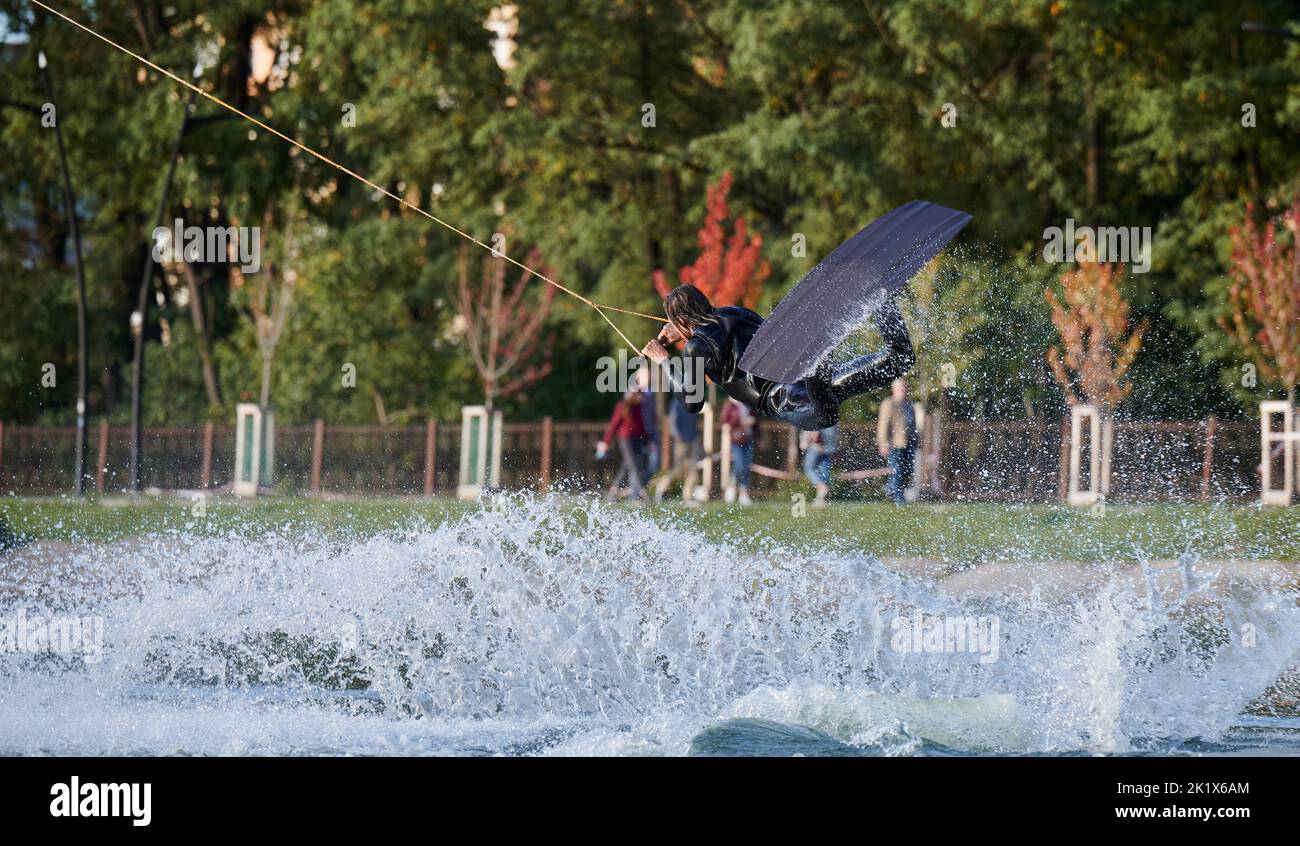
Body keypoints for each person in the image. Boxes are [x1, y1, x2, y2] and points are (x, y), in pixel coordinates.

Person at [640, 284, 913, 433]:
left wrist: (663, 359)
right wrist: (682, 328)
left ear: (681, 320)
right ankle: (882, 299)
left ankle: (818, 354)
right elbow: (717, 327)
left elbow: (691, 401)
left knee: (825, 415)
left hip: (789, 402)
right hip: (803, 380)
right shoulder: (736, 312)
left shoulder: (696, 347)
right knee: (899, 361)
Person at [597, 390, 647, 501]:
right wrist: (606, 441)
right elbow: (614, 425)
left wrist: (646, 440)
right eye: (639, 395)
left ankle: (614, 489)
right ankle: (638, 494)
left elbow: (641, 424)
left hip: (637, 440)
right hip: (625, 439)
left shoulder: (639, 407)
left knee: (626, 465)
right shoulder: (622, 406)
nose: (641, 397)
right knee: (634, 465)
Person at [877, 377, 919, 505]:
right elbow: (883, 425)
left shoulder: (909, 404)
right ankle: (899, 500)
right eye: (900, 388)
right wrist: (883, 443)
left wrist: (916, 441)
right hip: (894, 444)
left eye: (905, 387)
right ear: (893, 389)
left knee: (908, 471)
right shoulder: (888, 404)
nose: (903, 390)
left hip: (909, 443)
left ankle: (891, 491)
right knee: (897, 471)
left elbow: (914, 425)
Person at [654, 394, 702, 503]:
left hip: (693, 440)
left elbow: (694, 422)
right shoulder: (676, 403)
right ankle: (661, 487)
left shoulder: (694, 403)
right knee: (678, 469)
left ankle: (688, 497)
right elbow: (672, 421)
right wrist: (677, 435)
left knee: (694, 469)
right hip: (681, 441)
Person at [721, 397, 758, 505]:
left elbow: (756, 420)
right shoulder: (730, 404)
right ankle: (731, 486)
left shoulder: (749, 402)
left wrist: (758, 434)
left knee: (747, 466)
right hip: (736, 440)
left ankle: (743, 494)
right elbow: (724, 420)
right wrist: (740, 421)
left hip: (748, 438)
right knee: (739, 465)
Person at [802, 425, 838, 506]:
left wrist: (805, 439)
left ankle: (820, 486)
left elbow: (814, 432)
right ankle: (821, 499)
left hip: (816, 446)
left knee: (809, 468)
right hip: (829, 447)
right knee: (824, 472)